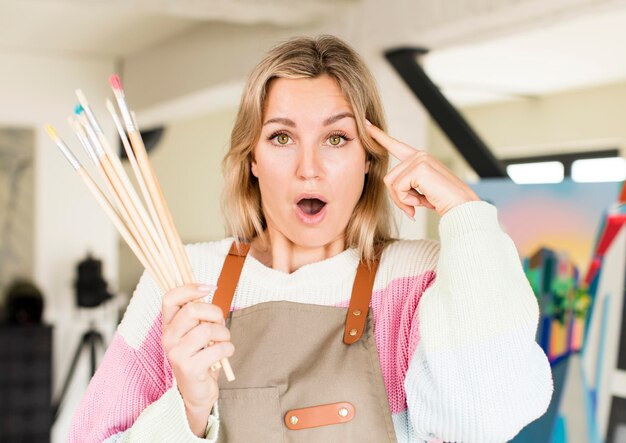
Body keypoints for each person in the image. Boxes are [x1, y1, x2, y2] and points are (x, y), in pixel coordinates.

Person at [68, 35, 553, 442]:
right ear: (252, 158)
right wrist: (188, 410)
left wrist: (466, 214)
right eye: (281, 137)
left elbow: (487, 418)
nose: (308, 168)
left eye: (337, 139)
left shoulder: (421, 277)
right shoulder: (181, 282)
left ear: (368, 158)